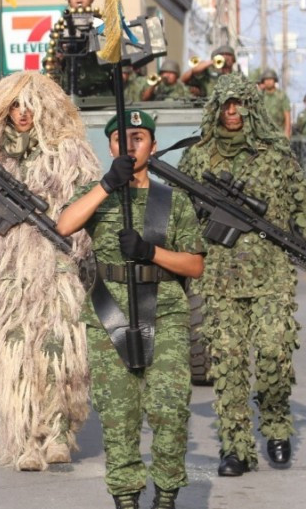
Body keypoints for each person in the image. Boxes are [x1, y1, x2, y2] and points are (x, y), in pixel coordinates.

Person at [178, 74, 306, 476]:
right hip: (218, 278)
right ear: (215, 108)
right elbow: (180, 212)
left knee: (273, 355)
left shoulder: (276, 155)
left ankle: (276, 426)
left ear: (252, 107)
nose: (232, 112)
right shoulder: (199, 157)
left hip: (271, 274)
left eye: (239, 104)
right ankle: (235, 447)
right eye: (225, 105)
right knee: (228, 364)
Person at [0, 71, 100, 471]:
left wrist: (81, 249)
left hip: (58, 267)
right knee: (15, 355)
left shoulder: (68, 153)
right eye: (15, 105)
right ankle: (25, 438)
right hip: (10, 272)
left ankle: (59, 431)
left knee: (60, 354)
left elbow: (89, 202)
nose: (23, 113)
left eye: (29, 105)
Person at [56, 110, 205, 509]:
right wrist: (107, 185)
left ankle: (168, 493)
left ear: (153, 146)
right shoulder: (97, 194)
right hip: (111, 313)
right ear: (110, 146)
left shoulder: (172, 200)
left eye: (139, 137)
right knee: (118, 414)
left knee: (169, 407)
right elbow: (65, 225)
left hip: (165, 310)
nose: (130, 145)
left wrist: (150, 252)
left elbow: (195, 264)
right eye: (121, 138)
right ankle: (125, 497)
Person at [47, 0, 113, 97]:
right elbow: (50, 63)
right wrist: (60, 57)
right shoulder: (62, 26)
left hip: (100, 93)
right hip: (69, 93)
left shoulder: (100, 23)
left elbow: (108, 59)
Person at [257, 69, 291, 138]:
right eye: (266, 79)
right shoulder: (260, 96)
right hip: (263, 133)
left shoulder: (281, 95)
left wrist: (287, 132)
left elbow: (287, 115)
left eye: (270, 79)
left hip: (279, 133)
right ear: (263, 81)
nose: (268, 82)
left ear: (275, 80)